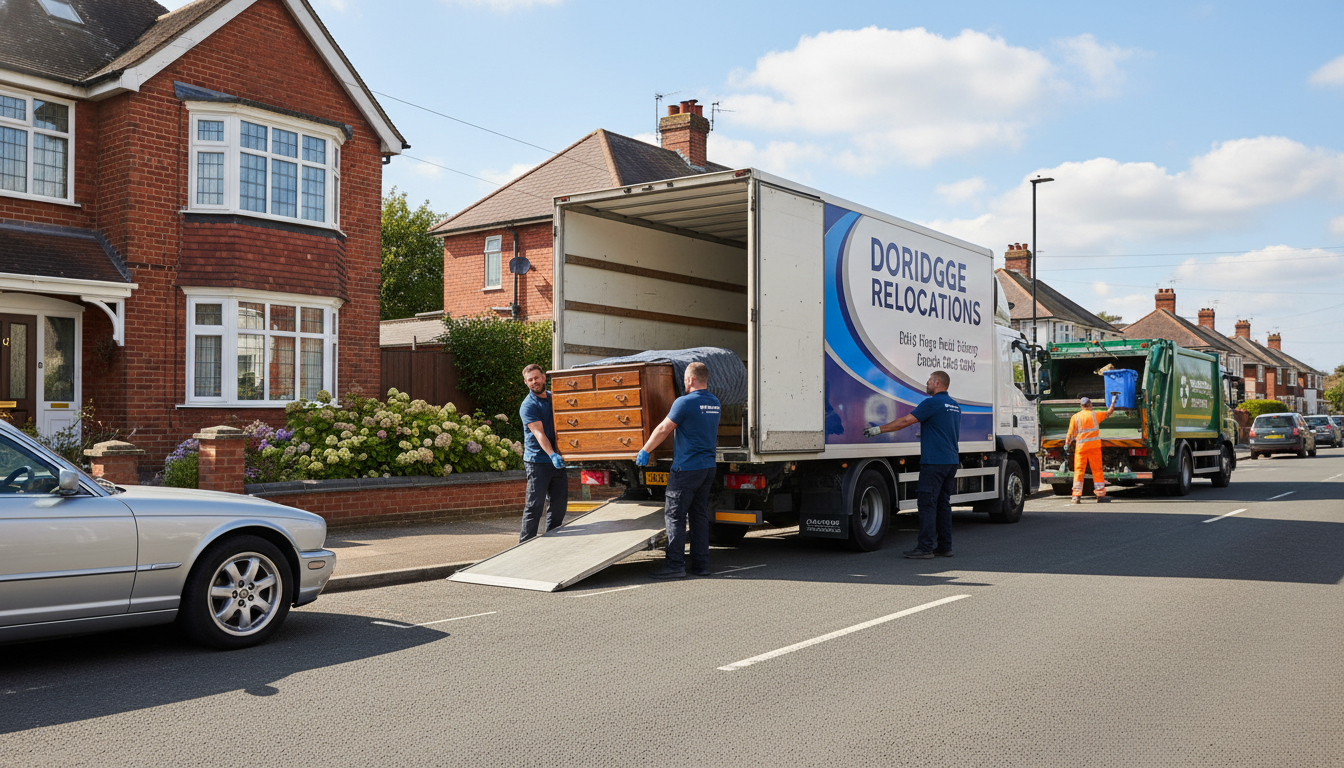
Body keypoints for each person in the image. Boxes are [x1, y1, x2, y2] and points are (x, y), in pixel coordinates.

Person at [635, 361, 721, 579]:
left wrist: (645, 450)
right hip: (708, 467)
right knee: (699, 516)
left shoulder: (684, 403)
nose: (684, 383)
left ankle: (675, 565)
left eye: (685, 379)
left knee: (675, 516)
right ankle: (701, 565)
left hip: (686, 469)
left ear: (691, 380)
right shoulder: (715, 403)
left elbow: (664, 428)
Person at [862, 370, 960, 559]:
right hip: (950, 461)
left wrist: (878, 429)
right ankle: (945, 547)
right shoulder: (954, 405)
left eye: (930, 380)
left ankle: (925, 548)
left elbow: (906, 421)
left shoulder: (932, 403)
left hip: (934, 462)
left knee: (927, 504)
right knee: (942, 504)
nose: (927, 382)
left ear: (938, 383)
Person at [518, 364, 568, 542]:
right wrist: (552, 454)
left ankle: (552, 540)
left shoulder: (554, 398)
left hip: (557, 461)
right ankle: (525, 544)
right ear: (526, 382)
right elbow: (539, 433)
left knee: (559, 506)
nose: (534, 382)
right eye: (530, 380)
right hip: (537, 462)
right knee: (535, 506)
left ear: (544, 377)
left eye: (536, 378)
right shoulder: (528, 405)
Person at [1065, 394, 1118, 505]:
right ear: (1090, 405)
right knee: (1097, 470)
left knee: (1079, 471)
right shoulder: (1094, 415)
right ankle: (1100, 495)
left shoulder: (1075, 417)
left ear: (1081, 406)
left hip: (1081, 448)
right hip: (1094, 448)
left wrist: (1067, 444)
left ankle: (1076, 497)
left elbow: (1070, 434)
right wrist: (1113, 401)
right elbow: (1109, 413)